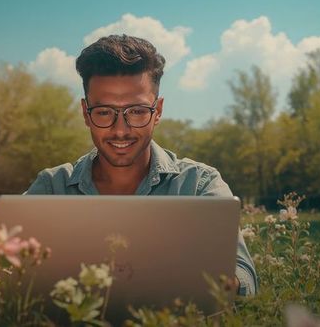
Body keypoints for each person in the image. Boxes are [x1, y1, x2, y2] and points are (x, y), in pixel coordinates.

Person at [25, 34, 258, 296]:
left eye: (136, 111)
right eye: (104, 112)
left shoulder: (200, 185)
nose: (120, 131)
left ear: (157, 111)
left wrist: (220, 282)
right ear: (85, 113)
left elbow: (243, 273)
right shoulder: (51, 188)